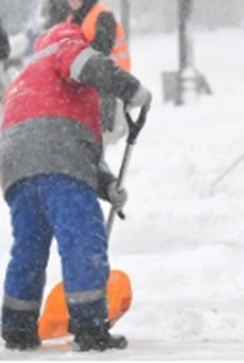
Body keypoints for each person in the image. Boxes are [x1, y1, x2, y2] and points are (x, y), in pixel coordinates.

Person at [1, 22, 152, 352]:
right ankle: (90, 327)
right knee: (82, 239)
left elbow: (76, 144)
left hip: (15, 166)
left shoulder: (27, 77)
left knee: (28, 247)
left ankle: (17, 327)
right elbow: (64, 140)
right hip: (59, 159)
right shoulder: (64, 47)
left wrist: (107, 185)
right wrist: (132, 90)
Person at [65, 0, 131, 145]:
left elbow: (102, 48)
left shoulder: (103, 16)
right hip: (87, 80)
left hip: (109, 80)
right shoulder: (73, 18)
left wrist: (75, 52)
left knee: (102, 133)